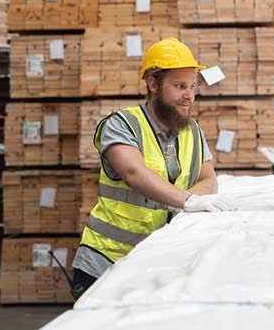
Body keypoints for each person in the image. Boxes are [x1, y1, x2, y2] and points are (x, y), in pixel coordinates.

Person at [71, 38, 237, 297]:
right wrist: (188, 201)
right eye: (180, 86)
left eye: (192, 87)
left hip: (156, 261)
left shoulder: (192, 130)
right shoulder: (122, 124)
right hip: (107, 261)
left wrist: (187, 202)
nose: (189, 96)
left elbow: (209, 181)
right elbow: (134, 173)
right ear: (153, 85)